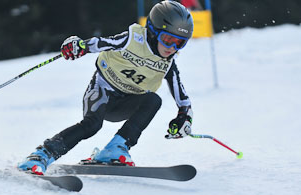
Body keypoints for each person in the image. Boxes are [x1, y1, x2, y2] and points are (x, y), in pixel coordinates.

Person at [18, 1, 194, 175]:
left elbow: (182, 96)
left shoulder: (168, 63)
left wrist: (184, 117)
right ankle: (41, 155)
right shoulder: (132, 39)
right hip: (103, 91)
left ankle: (116, 148)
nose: (172, 48)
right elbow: (100, 42)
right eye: (168, 39)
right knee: (91, 125)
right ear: (154, 31)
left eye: (180, 43)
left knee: (154, 100)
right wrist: (79, 46)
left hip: (127, 103)